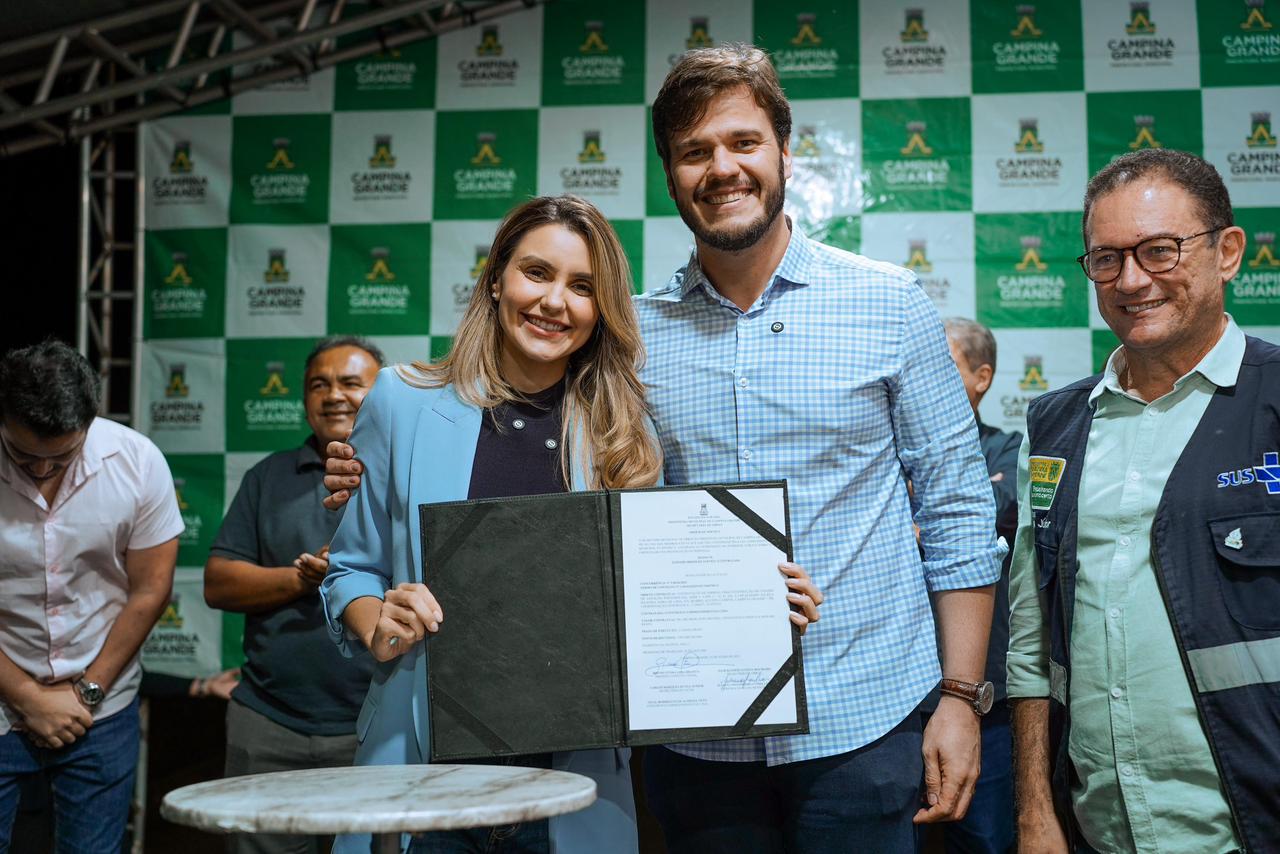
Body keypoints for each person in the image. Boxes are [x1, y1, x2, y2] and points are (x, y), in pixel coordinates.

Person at [325, 46, 997, 851]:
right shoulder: (631, 348)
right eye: (694, 151)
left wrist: (961, 696)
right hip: (691, 743)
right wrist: (366, 481)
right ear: (672, 177)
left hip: (861, 720)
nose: (723, 168)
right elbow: (578, 513)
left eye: (744, 142)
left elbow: (960, 510)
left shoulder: (890, 304)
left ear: (785, 152)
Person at [318, 194, 825, 854]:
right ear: (495, 279)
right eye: (537, 273)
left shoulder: (625, 432)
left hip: (573, 785)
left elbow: (658, 599)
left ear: (601, 309)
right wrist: (378, 624)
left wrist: (754, 609)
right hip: (422, 774)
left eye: (582, 287)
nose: (555, 302)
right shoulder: (402, 400)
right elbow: (350, 568)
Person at [1008, 148, 1280, 853]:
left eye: (1160, 250)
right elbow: (1032, 640)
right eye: (1107, 259)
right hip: (1099, 830)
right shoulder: (1053, 428)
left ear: (1228, 251)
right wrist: (1035, 807)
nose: (1131, 280)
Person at [0, 339, 182, 852]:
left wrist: (87, 692)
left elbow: (151, 589)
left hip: (101, 709)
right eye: (23, 456)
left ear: (90, 421)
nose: (41, 471)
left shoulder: (138, 462)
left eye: (60, 458)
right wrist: (29, 698)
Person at [204, 335, 383, 853]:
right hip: (268, 725)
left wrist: (351, 578)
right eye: (318, 385)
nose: (334, 395)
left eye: (351, 383)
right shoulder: (268, 477)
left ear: (381, 395)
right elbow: (218, 582)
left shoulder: (405, 476)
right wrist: (300, 579)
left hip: (375, 727)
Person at [917, 319, 1020, 854]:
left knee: (985, 841)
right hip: (900, 701)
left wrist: (925, 518)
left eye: (944, 365)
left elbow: (992, 510)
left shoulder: (1010, 448)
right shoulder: (890, 455)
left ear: (982, 377)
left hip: (984, 698)